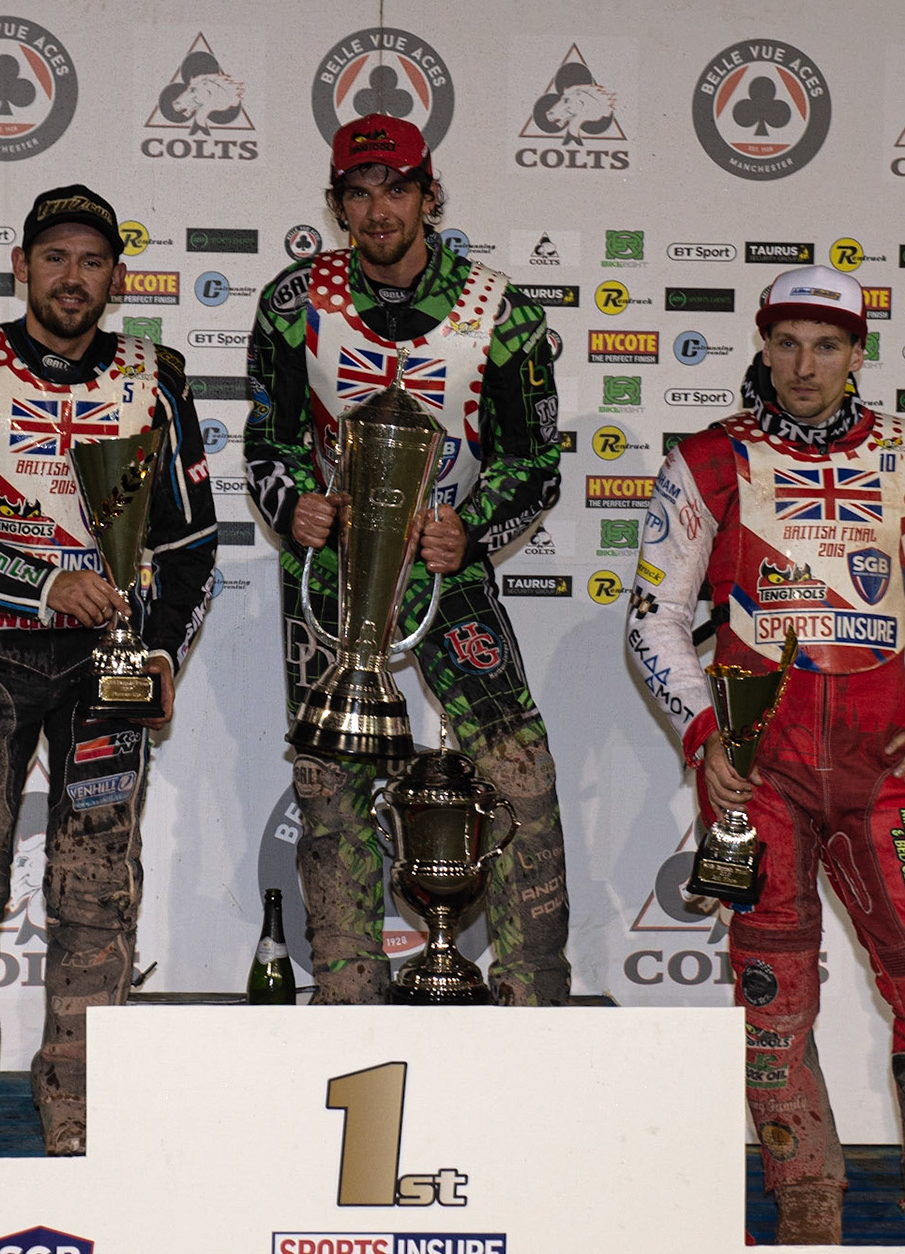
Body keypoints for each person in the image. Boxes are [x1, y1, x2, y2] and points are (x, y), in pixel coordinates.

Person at [625, 265, 905, 1245]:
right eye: (787, 343)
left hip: (883, 776)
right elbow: (653, 617)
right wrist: (703, 733)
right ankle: (807, 1199)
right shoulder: (708, 460)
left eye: (827, 345)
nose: (804, 365)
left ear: (857, 354)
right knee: (773, 998)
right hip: (757, 781)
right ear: (763, 347)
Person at [0, 184, 217, 1157]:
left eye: (93, 261)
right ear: (22, 266)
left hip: (109, 671)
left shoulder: (157, 379)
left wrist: (161, 650)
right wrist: (43, 585)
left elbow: (189, 543)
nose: (73, 277)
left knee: (96, 894)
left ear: (117, 278)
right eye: (56, 257)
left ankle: (80, 1115)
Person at [244, 114, 571, 1006]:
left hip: (443, 568)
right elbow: (268, 443)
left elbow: (534, 463)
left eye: (395, 189)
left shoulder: (501, 311)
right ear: (336, 204)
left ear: (431, 196)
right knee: (329, 785)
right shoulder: (293, 303)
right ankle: (348, 994)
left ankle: (535, 998)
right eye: (357, 192)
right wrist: (294, 506)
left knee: (519, 774)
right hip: (332, 578)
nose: (377, 209)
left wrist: (471, 529)